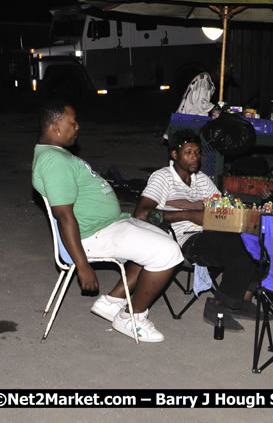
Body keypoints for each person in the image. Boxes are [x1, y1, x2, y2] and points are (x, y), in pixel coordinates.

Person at [32, 100, 183, 342]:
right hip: (93, 234)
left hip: (110, 225)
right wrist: (82, 265)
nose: (77, 126)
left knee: (162, 239)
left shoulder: (57, 155)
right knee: (168, 252)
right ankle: (132, 316)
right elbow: (64, 215)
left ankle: (112, 301)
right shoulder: (54, 161)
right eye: (72, 123)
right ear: (55, 127)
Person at [133, 130, 260, 331]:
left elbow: (220, 206)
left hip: (215, 231)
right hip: (186, 239)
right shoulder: (163, 178)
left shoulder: (200, 179)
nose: (195, 157)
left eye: (198, 152)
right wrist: (189, 214)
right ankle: (219, 305)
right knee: (239, 247)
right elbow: (141, 214)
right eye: (189, 152)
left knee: (258, 239)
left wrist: (193, 204)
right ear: (174, 154)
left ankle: (243, 300)